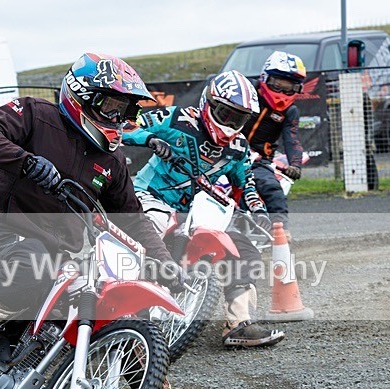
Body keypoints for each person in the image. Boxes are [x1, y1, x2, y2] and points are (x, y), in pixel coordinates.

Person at [0, 52, 220, 389]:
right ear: (82, 95)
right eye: (111, 105)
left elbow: (133, 218)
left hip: (63, 256)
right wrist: (26, 162)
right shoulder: (34, 115)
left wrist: (165, 265)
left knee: (124, 316)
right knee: (33, 265)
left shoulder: (112, 162)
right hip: (1, 235)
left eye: (125, 110)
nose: (117, 117)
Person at [122, 70, 286, 348]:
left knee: (244, 250)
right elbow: (125, 127)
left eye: (239, 119)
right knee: (155, 226)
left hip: (195, 211)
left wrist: (258, 209)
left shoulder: (238, 147)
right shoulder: (177, 118)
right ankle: (120, 308)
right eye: (226, 114)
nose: (230, 124)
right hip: (149, 197)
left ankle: (238, 324)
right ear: (207, 104)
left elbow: (245, 182)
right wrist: (151, 140)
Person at [242, 51, 307, 229]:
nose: (282, 92)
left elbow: (292, 139)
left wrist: (295, 165)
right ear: (265, 77)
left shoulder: (290, 111)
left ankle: (281, 231)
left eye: (289, 88)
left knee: (272, 189)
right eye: (277, 85)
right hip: (226, 150)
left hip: (259, 160)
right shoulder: (246, 90)